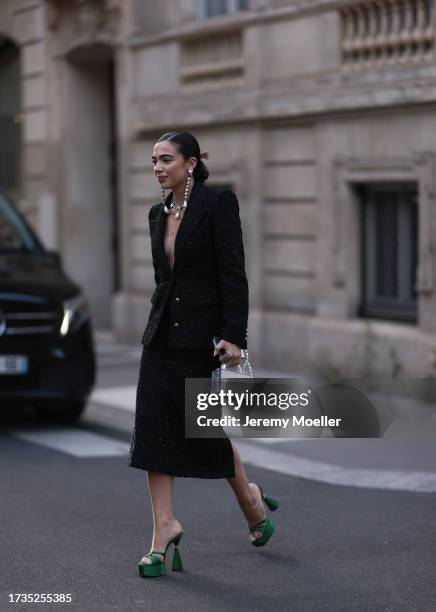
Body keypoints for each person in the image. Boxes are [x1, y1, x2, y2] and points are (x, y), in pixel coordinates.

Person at [128, 131, 279, 578]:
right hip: (160, 339)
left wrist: (234, 335)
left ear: (191, 163)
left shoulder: (217, 205)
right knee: (153, 429)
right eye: (154, 160)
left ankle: (251, 501)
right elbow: (164, 281)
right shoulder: (157, 214)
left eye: (167, 159)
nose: (158, 167)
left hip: (202, 340)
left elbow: (233, 273)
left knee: (206, 431)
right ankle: (164, 529)